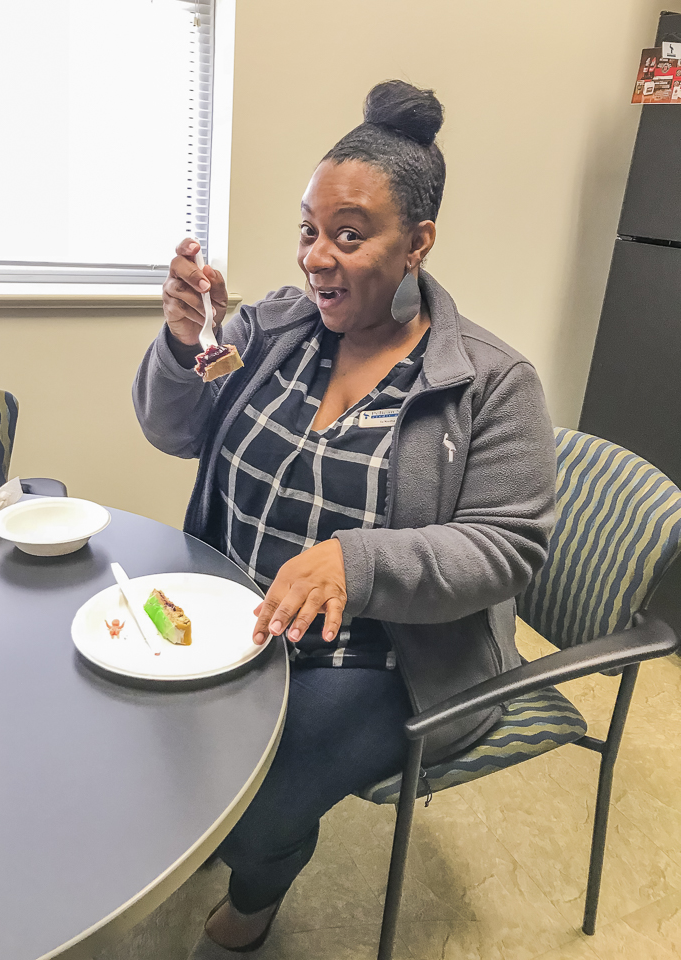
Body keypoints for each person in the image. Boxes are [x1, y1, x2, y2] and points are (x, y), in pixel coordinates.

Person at [133, 80, 556, 953]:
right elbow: (173, 429)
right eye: (308, 230)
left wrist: (356, 564)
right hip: (233, 617)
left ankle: (255, 896)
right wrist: (181, 345)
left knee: (255, 810)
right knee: (142, 740)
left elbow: (509, 547)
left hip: (377, 656)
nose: (315, 258)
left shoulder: (490, 382)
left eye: (350, 236)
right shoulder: (273, 330)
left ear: (417, 245)